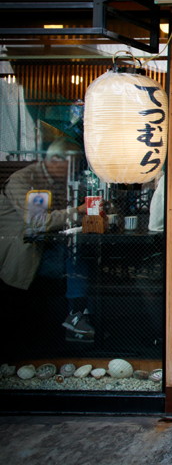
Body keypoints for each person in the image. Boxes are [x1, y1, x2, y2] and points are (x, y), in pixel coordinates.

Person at [0, 138, 94, 342]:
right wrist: (77, 211)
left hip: (45, 246)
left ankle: (78, 315)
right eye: (73, 166)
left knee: (81, 258)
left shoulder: (54, 180)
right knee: (78, 262)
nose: (75, 173)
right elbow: (38, 222)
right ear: (56, 161)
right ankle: (76, 316)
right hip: (24, 250)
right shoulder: (25, 180)